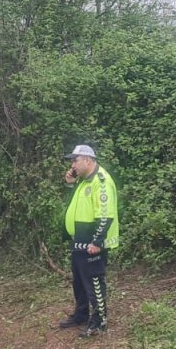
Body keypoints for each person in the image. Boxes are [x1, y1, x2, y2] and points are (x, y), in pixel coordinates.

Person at [59, 144, 118, 337]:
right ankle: (81, 314)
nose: (72, 165)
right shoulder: (84, 181)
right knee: (79, 281)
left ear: (88, 160)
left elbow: (105, 216)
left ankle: (99, 321)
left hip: (93, 243)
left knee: (94, 281)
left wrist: (97, 242)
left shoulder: (101, 182)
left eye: (75, 160)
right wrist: (70, 182)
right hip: (79, 241)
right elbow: (77, 205)